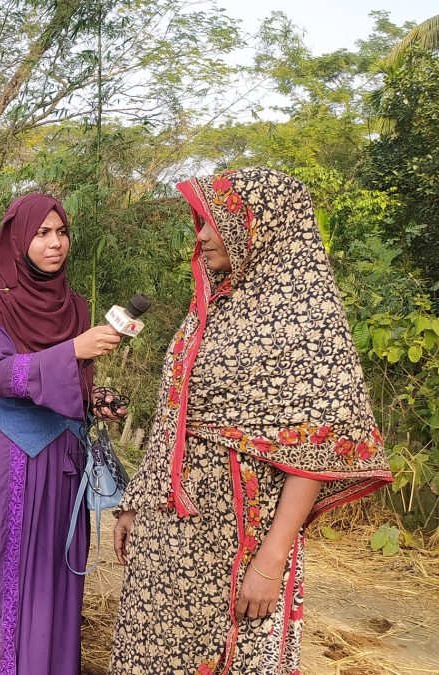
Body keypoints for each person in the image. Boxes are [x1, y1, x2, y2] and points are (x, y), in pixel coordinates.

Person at [110, 167, 393, 674]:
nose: (199, 235)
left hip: (239, 542)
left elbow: (315, 453)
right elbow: (175, 410)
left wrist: (269, 562)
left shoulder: (306, 320)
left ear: (261, 225)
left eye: (212, 222)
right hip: (168, 530)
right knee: (150, 655)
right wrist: (137, 503)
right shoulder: (214, 303)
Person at [0, 193, 126, 675]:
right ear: (18, 240)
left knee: (50, 576)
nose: (55, 243)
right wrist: (74, 351)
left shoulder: (77, 306)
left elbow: (71, 385)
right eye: (42, 233)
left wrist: (94, 399)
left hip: (65, 462)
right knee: (1, 569)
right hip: (13, 458)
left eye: (61, 232)